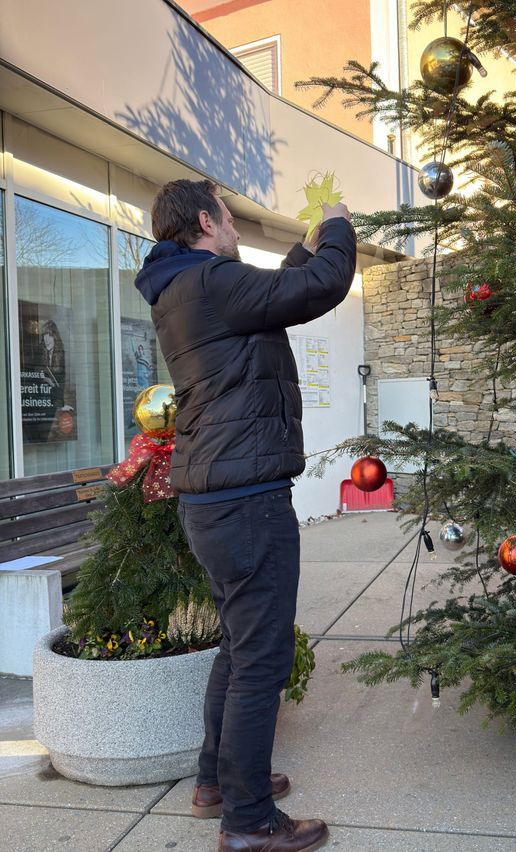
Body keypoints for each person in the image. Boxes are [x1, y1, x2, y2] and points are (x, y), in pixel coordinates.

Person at [135, 179, 355, 852]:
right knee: (261, 660)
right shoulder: (209, 281)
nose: (234, 230)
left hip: (215, 502)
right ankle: (249, 823)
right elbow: (320, 288)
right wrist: (339, 229)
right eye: (229, 219)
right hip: (247, 502)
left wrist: (301, 249)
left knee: (238, 646)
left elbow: (265, 300)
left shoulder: (185, 287)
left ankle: (216, 786)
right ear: (206, 220)